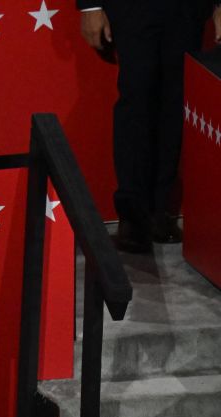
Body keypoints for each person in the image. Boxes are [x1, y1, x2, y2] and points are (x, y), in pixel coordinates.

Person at [78, 1, 221, 252]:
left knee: (176, 104)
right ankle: (133, 216)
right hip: (133, 9)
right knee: (136, 100)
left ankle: (160, 210)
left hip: (186, 9)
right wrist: (90, 6)